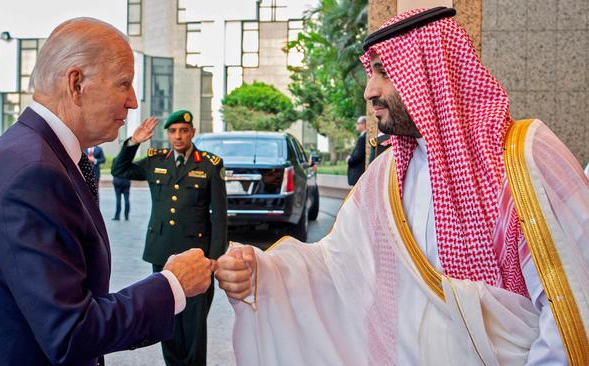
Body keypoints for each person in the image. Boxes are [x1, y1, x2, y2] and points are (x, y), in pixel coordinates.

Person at [215, 7, 589, 365]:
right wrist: (262, 273)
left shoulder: (525, 156)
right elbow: (336, 265)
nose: (369, 91)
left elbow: (573, 305)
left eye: (384, 72)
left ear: (431, 72)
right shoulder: (386, 176)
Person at [0, 18, 215, 366]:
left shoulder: (33, 152)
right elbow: (71, 332)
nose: (133, 102)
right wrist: (172, 284)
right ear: (76, 84)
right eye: (124, 83)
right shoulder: (34, 172)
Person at [111, 110, 228, 365]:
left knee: (194, 325)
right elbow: (120, 170)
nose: (178, 136)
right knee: (169, 317)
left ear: (192, 133)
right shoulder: (156, 161)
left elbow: (219, 216)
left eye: (184, 130)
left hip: (197, 255)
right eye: (173, 131)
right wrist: (134, 142)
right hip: (162, 252)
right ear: (167, 134)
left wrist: (215, 258)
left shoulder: (209, 164)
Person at [346, 116, 367, 185]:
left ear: (363, 124)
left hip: (358, 174)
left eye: (358, 123)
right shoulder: (364, 136)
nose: (356, 125)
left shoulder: (363, 138)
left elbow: (358, 156)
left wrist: (349, 160)